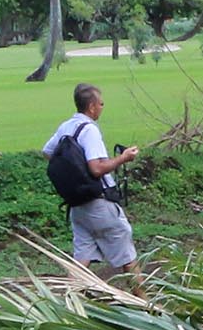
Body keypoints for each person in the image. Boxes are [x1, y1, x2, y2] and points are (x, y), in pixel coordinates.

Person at [42, 83, 144, 279]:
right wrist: (123, 158)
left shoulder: (66, 126)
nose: (102, 107)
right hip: (99, 205)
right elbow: (96, 169)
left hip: (77, 207)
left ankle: (69, 304)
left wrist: (74, 171)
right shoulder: (89, 130)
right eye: (101, 103)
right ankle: (146, 305)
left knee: (82, 261)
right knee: (127, 256)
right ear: (92, 107)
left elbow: (47, 152)